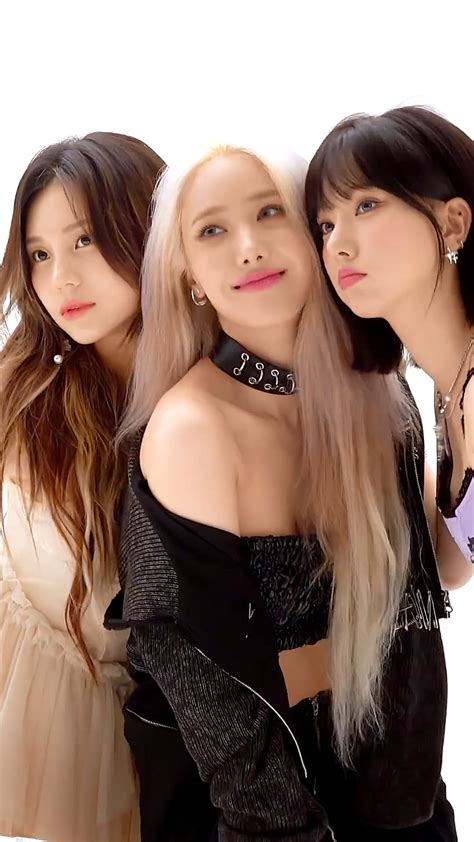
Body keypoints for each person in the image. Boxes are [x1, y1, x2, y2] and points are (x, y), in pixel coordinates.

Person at [108, 141, 457, 840]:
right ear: (189, 275)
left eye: (270, 212)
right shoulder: (192, 430)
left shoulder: (381, 394)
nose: (249, 248)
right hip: (245, 807)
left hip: (392, 784)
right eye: (213, 229)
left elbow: (443, 569)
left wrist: (463, 429)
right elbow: (213, 696)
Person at [0, 132, 165, 842]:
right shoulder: (25, 389)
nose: (60, 278)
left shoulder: (208, 392)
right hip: (28, 694)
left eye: (84, 240)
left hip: (158, 723)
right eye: (39, 254)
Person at [305, 106, 473, 583]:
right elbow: (448, 567)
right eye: (325, 224)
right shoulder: (447, 392)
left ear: (452, 223)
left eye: (366, 206)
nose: (337, 245)